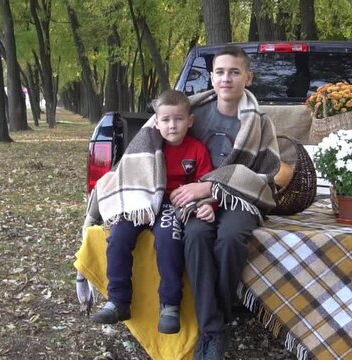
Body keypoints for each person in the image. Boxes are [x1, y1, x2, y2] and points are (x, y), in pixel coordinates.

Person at [169, 45, 281, 359]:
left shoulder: (259, 122)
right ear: (212, 77)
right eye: (219, 72)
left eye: (234, 72)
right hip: (195, 199)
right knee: (195, 236)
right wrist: (202, 193)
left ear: (248, 77)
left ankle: (215, 319)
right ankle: (213, 330)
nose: (226, 78)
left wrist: (212, 189)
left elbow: (267, 172)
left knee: (231, 239)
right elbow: (167, 147)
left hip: (241, 199)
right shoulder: (194, 114)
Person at [91, 89, 216, 334]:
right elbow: (127, 173)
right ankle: (118, 300)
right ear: (156, 122)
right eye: (166, 120)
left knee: (169, 239)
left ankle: (170, 305)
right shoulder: (146, 145)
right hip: (142, 202)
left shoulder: (197, 150)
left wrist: (208, 206)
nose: (172, 125)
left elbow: (207, 185)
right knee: (118, 237)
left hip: (173, 205)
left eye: (178, 119)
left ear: (190, 121)